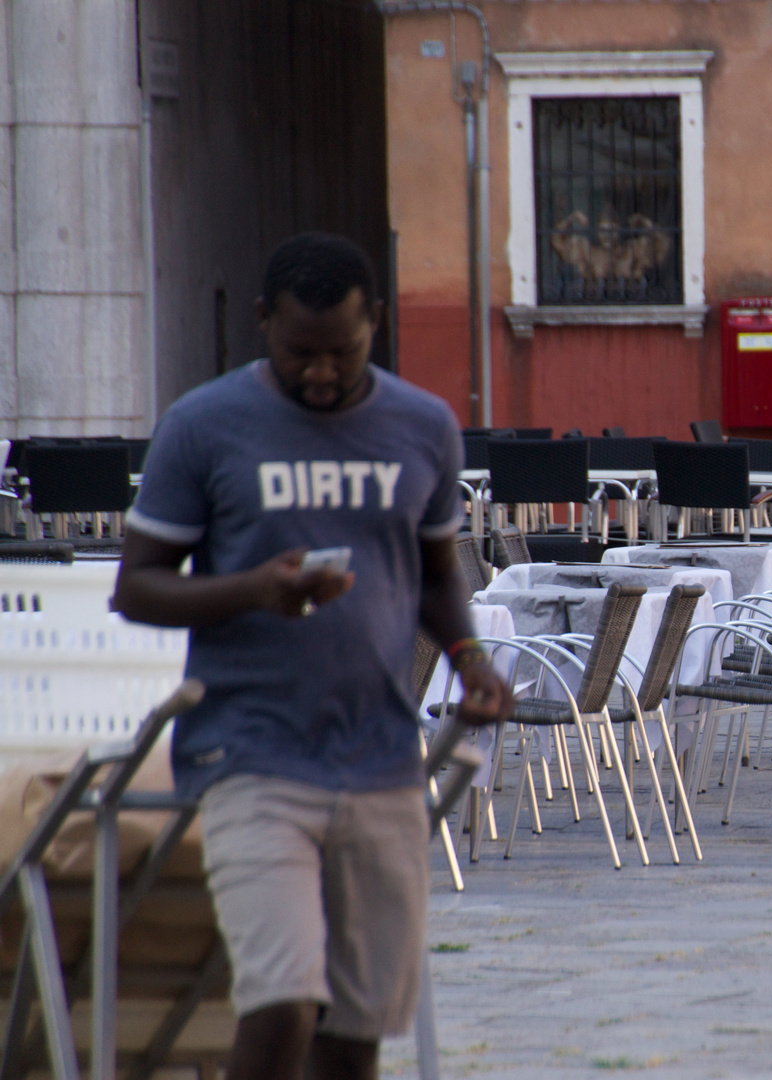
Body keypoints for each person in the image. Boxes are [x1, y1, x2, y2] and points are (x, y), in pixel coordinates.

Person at [113, 232, 513, 1080]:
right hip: (248, 756)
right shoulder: (203, 426)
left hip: (379, 761)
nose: (323, 373)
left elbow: (437, 575)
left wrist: (471, 657)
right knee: (285, 1000)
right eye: (301, 353)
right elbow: (138, 589)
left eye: (344, 351)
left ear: (375, 324)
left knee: (354, 1030)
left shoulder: (424, 428)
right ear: (263, 324)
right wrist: (255, 590)